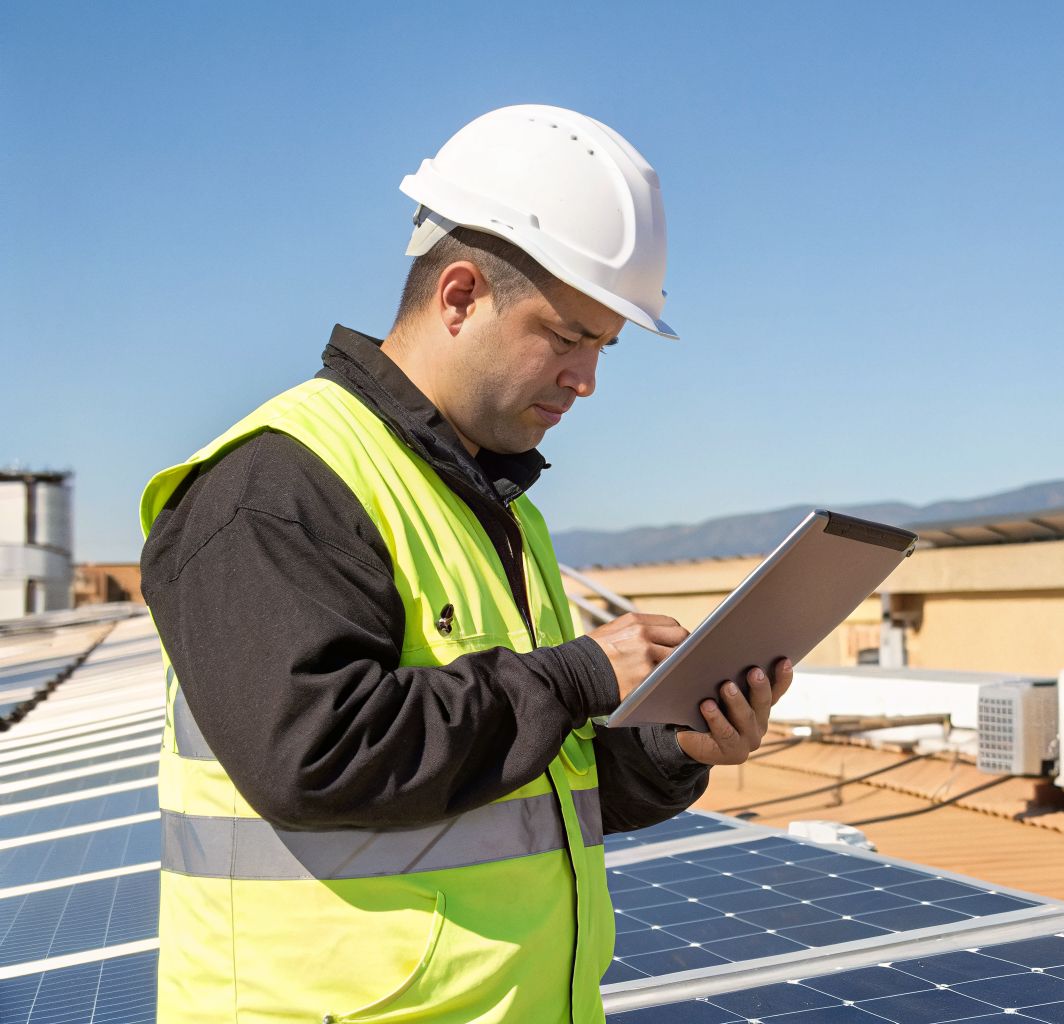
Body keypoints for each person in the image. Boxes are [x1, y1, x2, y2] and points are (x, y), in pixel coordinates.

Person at [138, 105, 784, 1024]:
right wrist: (582, 672)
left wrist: (673, 748)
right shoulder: (277, 485)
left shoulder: (492, 511)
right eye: (565, 337)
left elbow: (532, 779)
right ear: (458, 295)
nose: (586, 379)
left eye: (603, 347)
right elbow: (314, 754)